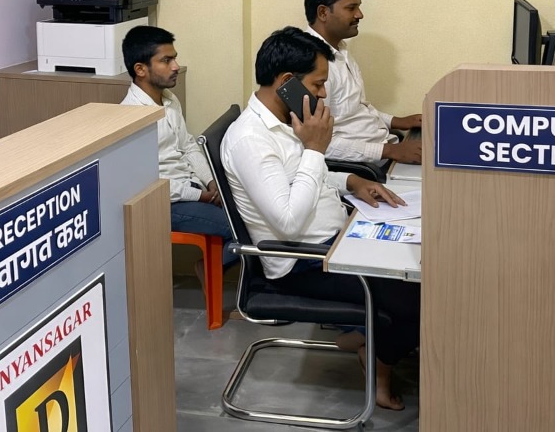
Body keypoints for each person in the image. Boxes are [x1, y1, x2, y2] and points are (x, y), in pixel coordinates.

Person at [221, 26, 420, 410]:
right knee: (417, 296)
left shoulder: (284, 118)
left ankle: (368, 338)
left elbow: (298, 178)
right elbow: (289, 221)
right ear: (286, 82)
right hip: (306, 261)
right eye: (318, 84)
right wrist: (316, 148)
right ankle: (377, 363)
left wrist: (351, 180)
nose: (324, 94)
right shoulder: (250, 139)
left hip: (334, 238)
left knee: (415, 257)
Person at [120, 26, 237, 268]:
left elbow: (189, 147)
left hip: (190, 188)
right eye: (166, 60)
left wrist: (211, 182)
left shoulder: (169, 99)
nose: (175, 66)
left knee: (253, 209)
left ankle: (215, 269)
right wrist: (199, 195)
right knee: (241, 225)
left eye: (174, 58)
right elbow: (146, 183)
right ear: (140, 69)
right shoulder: (130, 117)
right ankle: (207, 270)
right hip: (165, 203)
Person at [304, 0, 422, 166]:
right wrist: (390, 150)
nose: (360, 14)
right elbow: (316, 143)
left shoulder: (340, 49)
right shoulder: (310, 64)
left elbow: (356, 108)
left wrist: (396, 121)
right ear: (323, 12)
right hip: (366, 167)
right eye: (351, 8)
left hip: (386, 147)